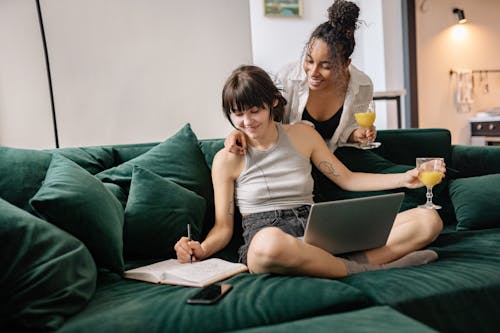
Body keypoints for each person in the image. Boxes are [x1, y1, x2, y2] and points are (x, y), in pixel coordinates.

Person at [174, 65, 444, 278]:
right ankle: (367, 268)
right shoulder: (227, 158)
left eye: (254, 111)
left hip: (315, 228)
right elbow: (223, 227)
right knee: (268, 244)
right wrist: (202, 248)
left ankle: (326, 265)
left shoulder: (303, 136)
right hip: (267, 237)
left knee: (428, 220)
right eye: (238, 114)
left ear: (273, 103)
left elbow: (347, 179)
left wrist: (406, 179)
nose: (246, 122)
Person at [226, 0, 375, 154]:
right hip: (294, 158)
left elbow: (344, 133)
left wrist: (356, 135)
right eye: (309, 60)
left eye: (326, 66)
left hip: (334, 159)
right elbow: (263, 119)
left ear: (346, 64)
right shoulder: (286, 78)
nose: (313, 72)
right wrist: (237, 133)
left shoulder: (363, 86)